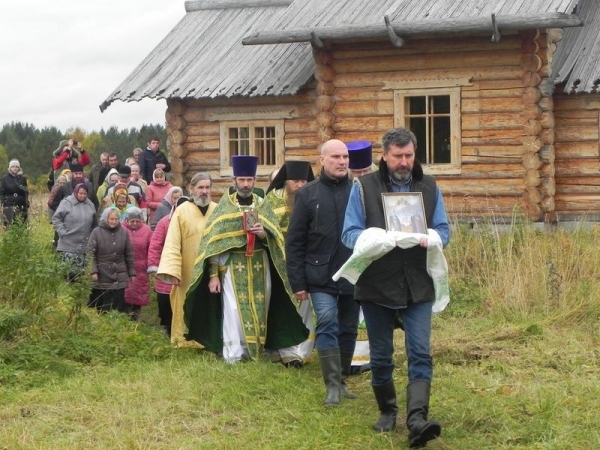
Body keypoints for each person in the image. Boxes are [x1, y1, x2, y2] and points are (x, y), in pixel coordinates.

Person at [341, 127, 450, 446]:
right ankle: (388, 411)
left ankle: (417, 417)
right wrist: (372, 240)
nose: (404, 162)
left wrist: (433, 237)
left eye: (409, 155)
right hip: (377, 285)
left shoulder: (429, 188)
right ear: (384, 156)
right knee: (382, 354)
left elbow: (445, 229)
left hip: (418, 285)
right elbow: (348, 234)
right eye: (397, 156)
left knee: (420, 351)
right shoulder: (363, 187)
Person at [184, 156, 308, 363]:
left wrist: (263, 234)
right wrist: (213, 275)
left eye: (249, 180)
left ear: (254, 180)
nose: (245, 184)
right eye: (241, 179)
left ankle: (260, 350)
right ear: (234, 180)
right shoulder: (225, 206)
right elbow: (212, 243)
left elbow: (276, 237)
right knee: (233, 309)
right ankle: (235, 353)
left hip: (261, 264)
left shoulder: (262, 204)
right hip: (234, 266)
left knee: (262, 306)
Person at [286, 139, 360, 407]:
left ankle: (342, 381)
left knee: (349, 327)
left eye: (345, 157)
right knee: (328, 320)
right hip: (319, 274)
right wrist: (298, 281)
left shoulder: (358, 191)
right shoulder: (308, 194)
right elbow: (294, 241)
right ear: (322, 161)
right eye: (337, 157)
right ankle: (331, 385)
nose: (342, 161)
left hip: (353, 272)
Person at [156, 172, 217, 347]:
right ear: (192, 189)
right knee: (186, 301)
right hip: (187, 268)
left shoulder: (217, 209)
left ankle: (211, 341)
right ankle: (184, 341)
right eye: (200, 187)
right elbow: (172, 242)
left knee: (211, 303)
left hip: (213, 268)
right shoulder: (181, 211)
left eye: (207, 187)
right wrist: (172, 270)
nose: (204, 191)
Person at [264, 160, 316, 365]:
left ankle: (303, 352)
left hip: (307, 262)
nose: (301, 185)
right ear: (286, 181)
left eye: (304, 181)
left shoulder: (313, 197)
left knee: (305, 306)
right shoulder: (271, 201)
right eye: (296, 181)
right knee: (285, 307)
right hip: (280, 263)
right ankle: (287, 354)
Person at [346, 140, 376, 375]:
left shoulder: (378, 186)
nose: (361, 175)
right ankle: (350, 357)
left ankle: (369, 356)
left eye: (365, 171)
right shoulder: (345, 188)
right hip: (348, 254)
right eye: (357, 172)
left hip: (374, 256)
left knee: (370, 310)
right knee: (350, 311)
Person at [87, 208, 135, 313]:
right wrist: (93, 271)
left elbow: (128, 254)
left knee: (118, 307)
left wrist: (132, 272)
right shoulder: (97, 232)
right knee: (103, 307)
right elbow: (90, 253)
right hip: (102, 274)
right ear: (106, 218)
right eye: (111, 219)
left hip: (120, 274)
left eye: (116, 219)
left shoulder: (124, 232)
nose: (113, 221)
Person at [52, 183, 97, 281]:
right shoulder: (66, 202)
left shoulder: (90, 205)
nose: (82, 196)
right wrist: (62, 232)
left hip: (83, 246)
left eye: (85, 194)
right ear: (75, 192)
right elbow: (56, 218)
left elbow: (94, 223)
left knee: (80, 277)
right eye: (80, 193)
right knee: (67, 276)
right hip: (68, 245)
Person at [122, 207, 153, 321]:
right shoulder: (121, 229)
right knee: (125, 292)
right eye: (132, 221)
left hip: (141, 268)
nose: (135, 223)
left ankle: (135, 318)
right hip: (125, 267)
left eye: (137, 221)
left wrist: (150, 264)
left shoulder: (147, 231)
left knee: (139, 293)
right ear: (127, 220)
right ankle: (124, 318)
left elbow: (152, 249)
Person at [0, 159, 29, 227]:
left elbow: (26, 192)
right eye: (13, 167)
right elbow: (2, 192)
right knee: (9, 225)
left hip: (21, 206)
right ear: (10, 168)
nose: (15, 168)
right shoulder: (5, 179)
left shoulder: (23, 179)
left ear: (19, 168)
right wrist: (4, 202)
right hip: (9, 205)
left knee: (22, 225)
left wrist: (26, 202)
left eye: (16, 167)